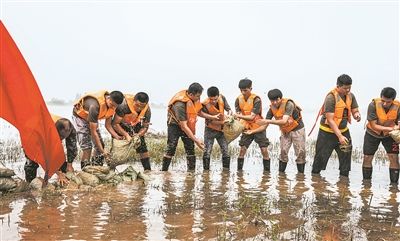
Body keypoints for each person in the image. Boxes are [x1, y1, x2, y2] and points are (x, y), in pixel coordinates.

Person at [161, 82, 221, 171]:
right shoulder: (180, 104)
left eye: (199, 96)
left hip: (187, 123)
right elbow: (184, 126)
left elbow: (199, 112)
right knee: (171, 147)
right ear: (190, 94)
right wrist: (197, 140)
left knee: (190, 148)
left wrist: (212, 117)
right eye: (197, 96)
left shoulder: (195, 98)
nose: (199, 98)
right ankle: (164, 171)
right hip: (175, 125)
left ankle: (191, 173)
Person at [311, 74, 361, 177]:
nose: (347, 90)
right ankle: (316, 183)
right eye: (345, 88)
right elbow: (330, 120)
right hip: (327, 133)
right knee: (320, 160)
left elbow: (354, 109)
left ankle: (343, 185)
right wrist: (339, 136)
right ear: (338, 86)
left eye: (349, 88)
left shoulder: (351, 96)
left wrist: (357, 115)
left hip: (344, 130)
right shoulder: (331, 97)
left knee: (346, 158)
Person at [255, 89, 306, 173]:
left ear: (280, 98)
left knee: (300, 152)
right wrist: (253, 130)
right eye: (272, 101)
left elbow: (283, 121)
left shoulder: (289, 104)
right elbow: (264, 126)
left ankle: (301, 176)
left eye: (276, 100)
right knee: (283, 151)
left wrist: (267, 121)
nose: (275, 102)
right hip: (285, 131)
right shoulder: (271, 109)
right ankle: (281, 176)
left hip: (298, 129)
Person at [72, 90, 124, 169]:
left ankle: (96, 168)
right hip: (80, 118)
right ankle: (85, 171)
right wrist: (104, 152)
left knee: (100, 146)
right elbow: (93, 131)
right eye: (112, 105)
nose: (113, 107)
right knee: (87, 147)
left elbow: (108, 125)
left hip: (92, 119)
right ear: (108, 98)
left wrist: (116, 136)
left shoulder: (113, 106)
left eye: (115, 106)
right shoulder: (95, 106)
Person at [24, 114, 77, 185]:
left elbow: (72, 147)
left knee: (61, 162)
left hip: (48, 130)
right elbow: (46, 158)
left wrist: (69, 164)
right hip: (31, 133)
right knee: (31, 162)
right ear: (55, 132)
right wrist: (59, 173)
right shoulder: (46, 133)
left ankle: (63, 180)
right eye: (60, 137)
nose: (62, 139)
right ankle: (29, 183)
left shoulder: (70, 129)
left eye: (64, 137)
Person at [362, 87, 400, 183]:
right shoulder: (373, 105)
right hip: (372, 134)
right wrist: (391, 128)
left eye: (388, 102)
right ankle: (366, 184)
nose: (385, 104)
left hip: (389, 136)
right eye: (383, 101)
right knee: (367, 157)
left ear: (393, 100)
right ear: (380, 97)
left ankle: (394, 186)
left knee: (394, 158)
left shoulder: (398, 107)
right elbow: (373, 125)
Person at [233, 78, 270, 171]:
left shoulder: (256, 99)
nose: (243, 92)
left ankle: (267, 173)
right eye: (241, 90)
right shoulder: (238, 99)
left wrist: (237, 115)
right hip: (246, 127)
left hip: (258, 126)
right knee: (242, 150)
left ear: (251, 88)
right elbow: (239, 115)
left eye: (245, 90)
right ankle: (239, 173)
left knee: (264, 150)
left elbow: (252, 117)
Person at [112, 92, 152, 170]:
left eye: (142, 106)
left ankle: (148, 170)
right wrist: (126, 135)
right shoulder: (123, 106)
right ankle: (111, 170)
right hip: (120, 125)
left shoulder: (147, 110)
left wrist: (138, 135)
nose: (139, 108)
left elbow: (145, 127)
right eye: (137, 105)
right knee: (116, 149)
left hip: (134, 124)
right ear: (134, 101)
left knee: (143, 148)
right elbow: (115, 123)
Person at [201, 86, 233, 170]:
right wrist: (223, 122)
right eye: (211, 99)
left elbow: (229, 109)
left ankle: (226, 172)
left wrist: (229, 116)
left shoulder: (222, 98)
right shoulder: (204, 104)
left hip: (221, 131)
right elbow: (209, 122)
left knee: (225, 151)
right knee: (207, 152)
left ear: (218, 96)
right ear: (208, 97)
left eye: (215, 99)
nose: (213, 101)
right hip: (209, 131)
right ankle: (206, 173)